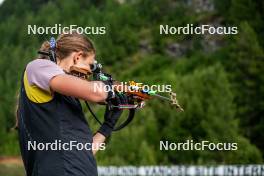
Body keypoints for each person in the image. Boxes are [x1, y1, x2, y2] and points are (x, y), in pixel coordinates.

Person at [16, 31, 126, 176]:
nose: (89, 73)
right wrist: (117, 88)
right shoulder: (38, 67)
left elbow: (82, 154)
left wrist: (107, 126)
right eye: (90, 65)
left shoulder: (68, 98)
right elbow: (97, 92)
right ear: (77, 57)